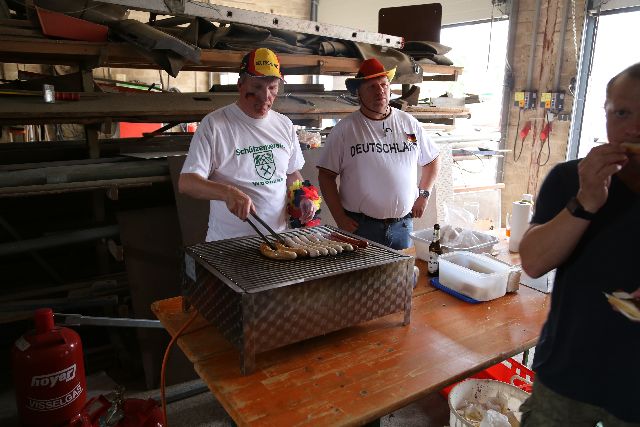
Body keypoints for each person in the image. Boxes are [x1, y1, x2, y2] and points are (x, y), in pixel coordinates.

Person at [518, 62, 640, 426]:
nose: (633, 128)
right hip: (567, 371)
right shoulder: (569, 179)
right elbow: (534, 262)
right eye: (621, 113)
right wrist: (586, 201)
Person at [179, 48, 318, 242]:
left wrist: (302, 197)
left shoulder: (284, 125)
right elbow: (187, 183)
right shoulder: (215, 125)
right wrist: (227, 193)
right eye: (257, 87)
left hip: (278, 240)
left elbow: (292, 173)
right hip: (229, 245)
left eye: (272, 88)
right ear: (240, 85)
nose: (264, 96)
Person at [317, 58, 440, 250]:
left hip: (402, 226)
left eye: (384, 84)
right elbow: (326, 176)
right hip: (361, 227)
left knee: (399, 278)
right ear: (359, 93)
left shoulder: (408, 127)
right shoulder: (345, 130)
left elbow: (431, 160)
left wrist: (424, 194)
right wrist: (339, 217)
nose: (380, 91)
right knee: (361, 279)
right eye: (372, 86)